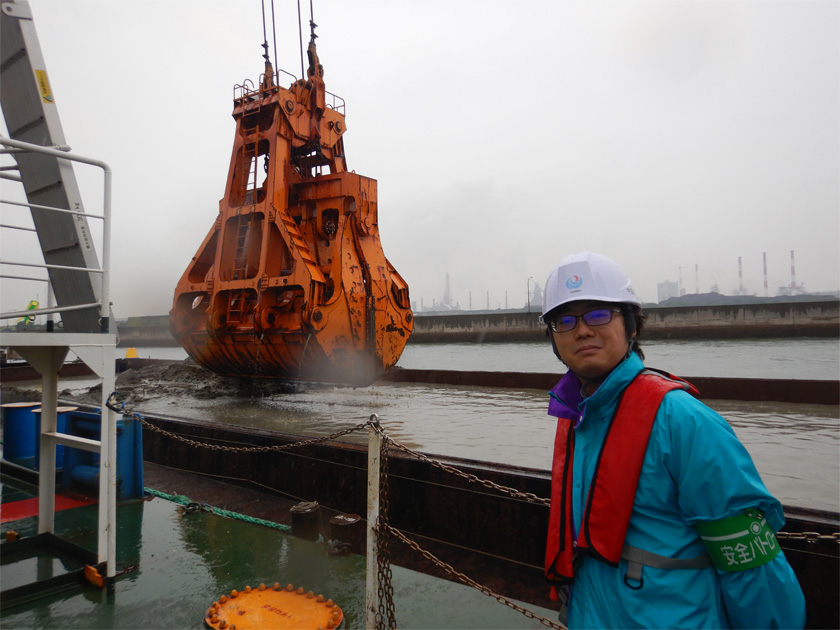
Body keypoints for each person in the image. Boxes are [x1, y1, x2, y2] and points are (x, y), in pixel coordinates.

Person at [540, 251, 805, 629]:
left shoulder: (684, 421)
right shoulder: (577, 416)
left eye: (598, 314)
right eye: (564, 320)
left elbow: (750, 564)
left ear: (632, 325)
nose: (581, 330)